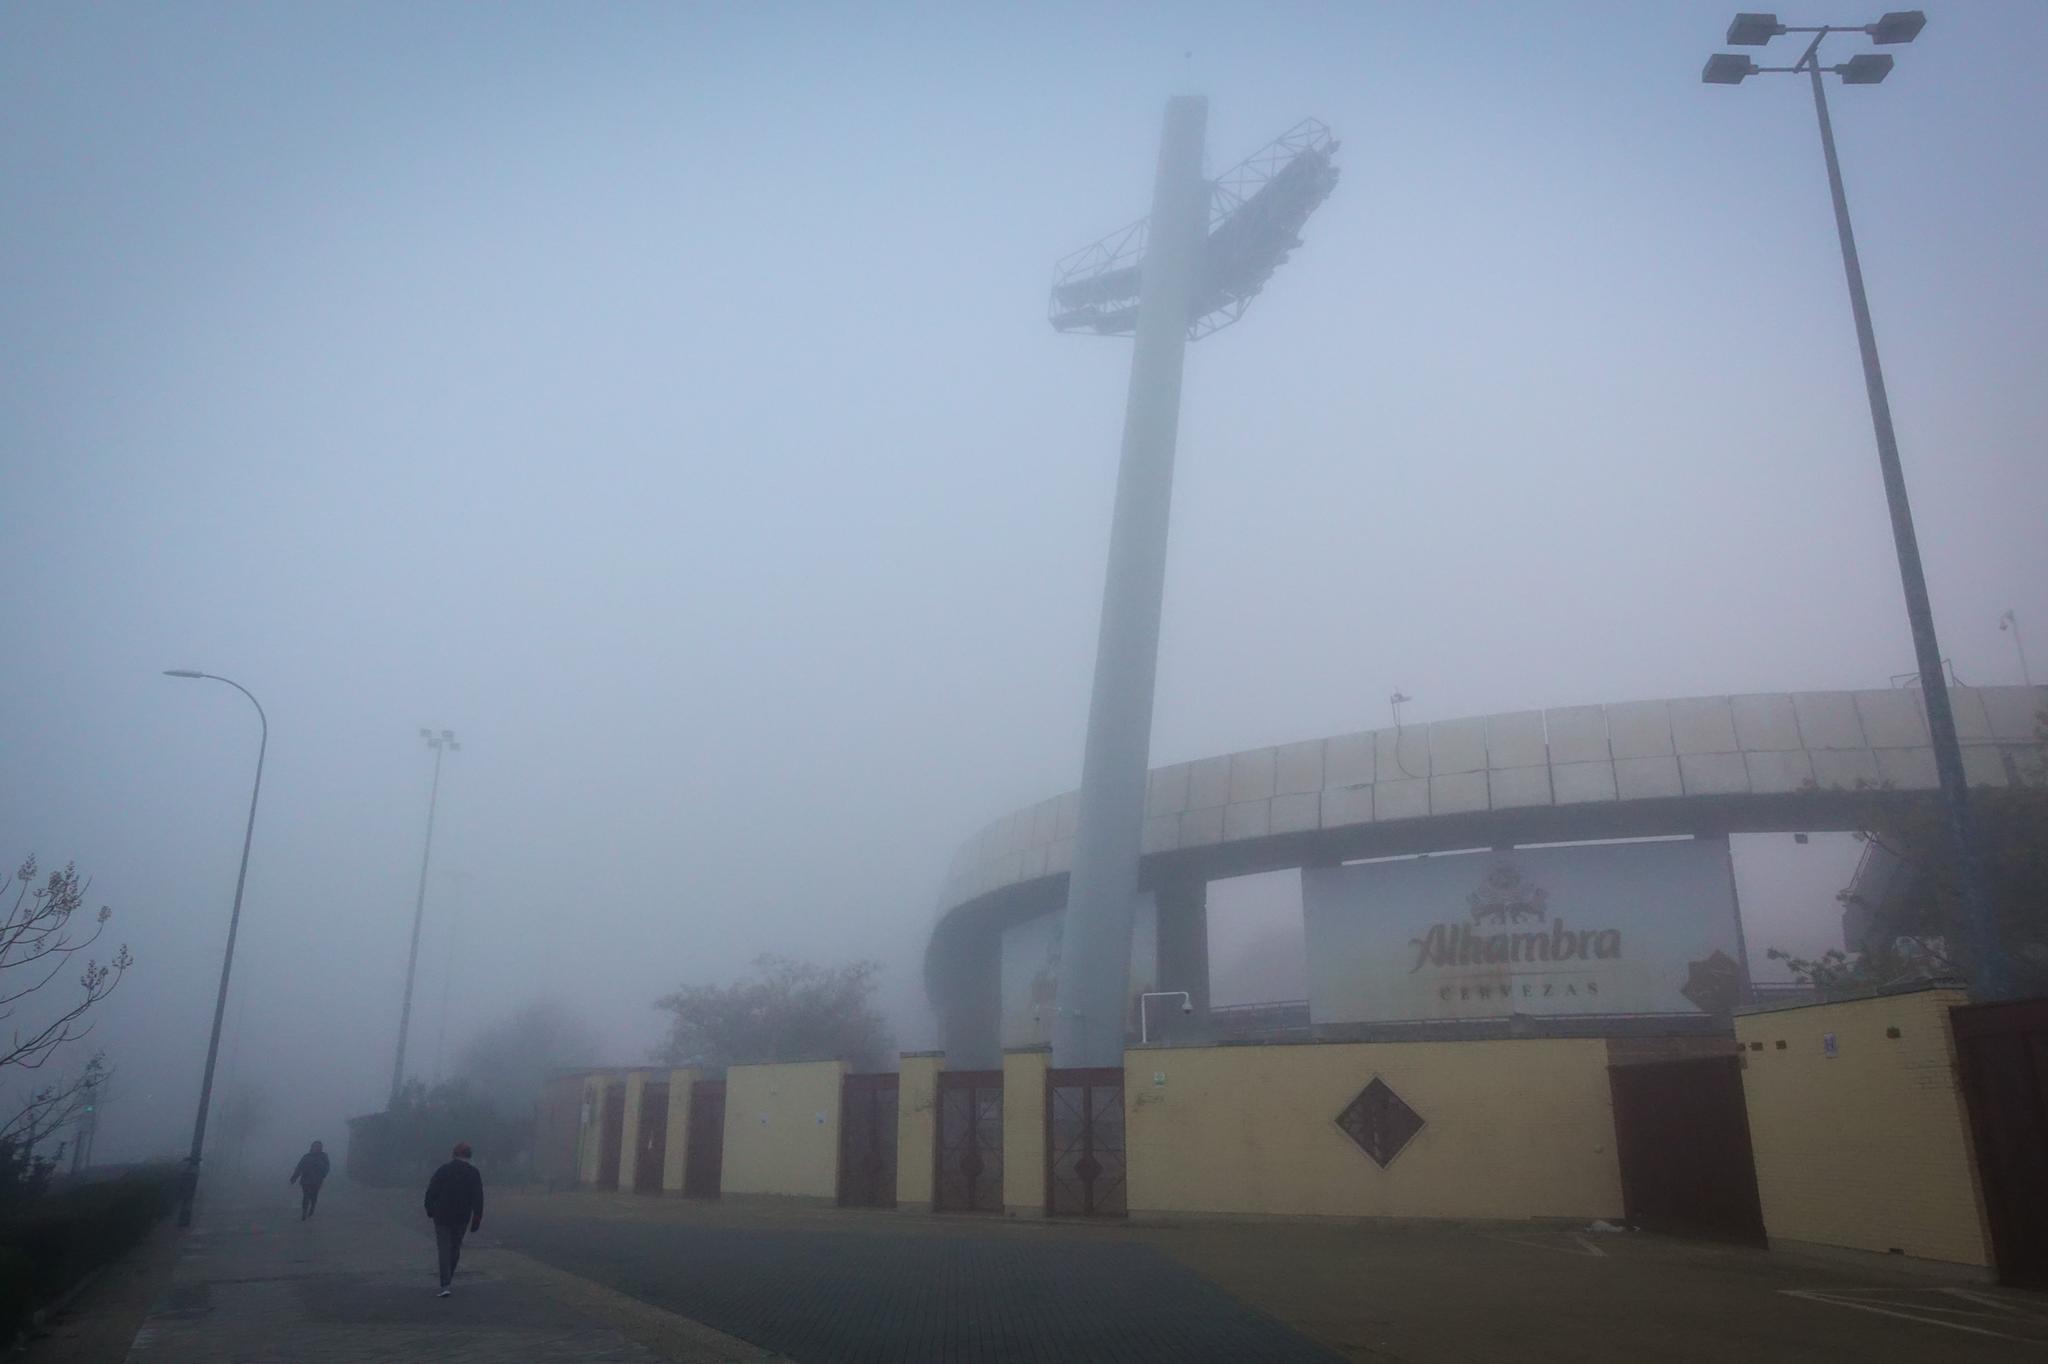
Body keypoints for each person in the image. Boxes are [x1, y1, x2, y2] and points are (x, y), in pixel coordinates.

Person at [422, 1140, 484, 1297]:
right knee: (455, 1247)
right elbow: (478, 1198)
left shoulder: (444, 1170)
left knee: (443, 1248)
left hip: (442, 1215)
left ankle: (445, 1283)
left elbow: (431, 1191)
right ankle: (449, 1277)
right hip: (462, 1216)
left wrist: (430, 1209)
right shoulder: (473, 1173)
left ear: (454, 1154)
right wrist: (476, 1219)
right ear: (469, 1155)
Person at [288, 1140, 330, 1220]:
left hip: (317, 1181)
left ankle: (312, 1207)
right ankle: (304, 1212)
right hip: (306, 1180)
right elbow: (299, 1167)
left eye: (317, 1147)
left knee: (314, 1196)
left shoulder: (323, 1157)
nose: (316, 1148)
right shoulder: (306, 1157)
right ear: (311, 1147)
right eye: (314, 1146)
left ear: (320, 1148)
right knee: (306, 1196)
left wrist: (322, 1174)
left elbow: (326, 1168)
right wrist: (294, 1178)